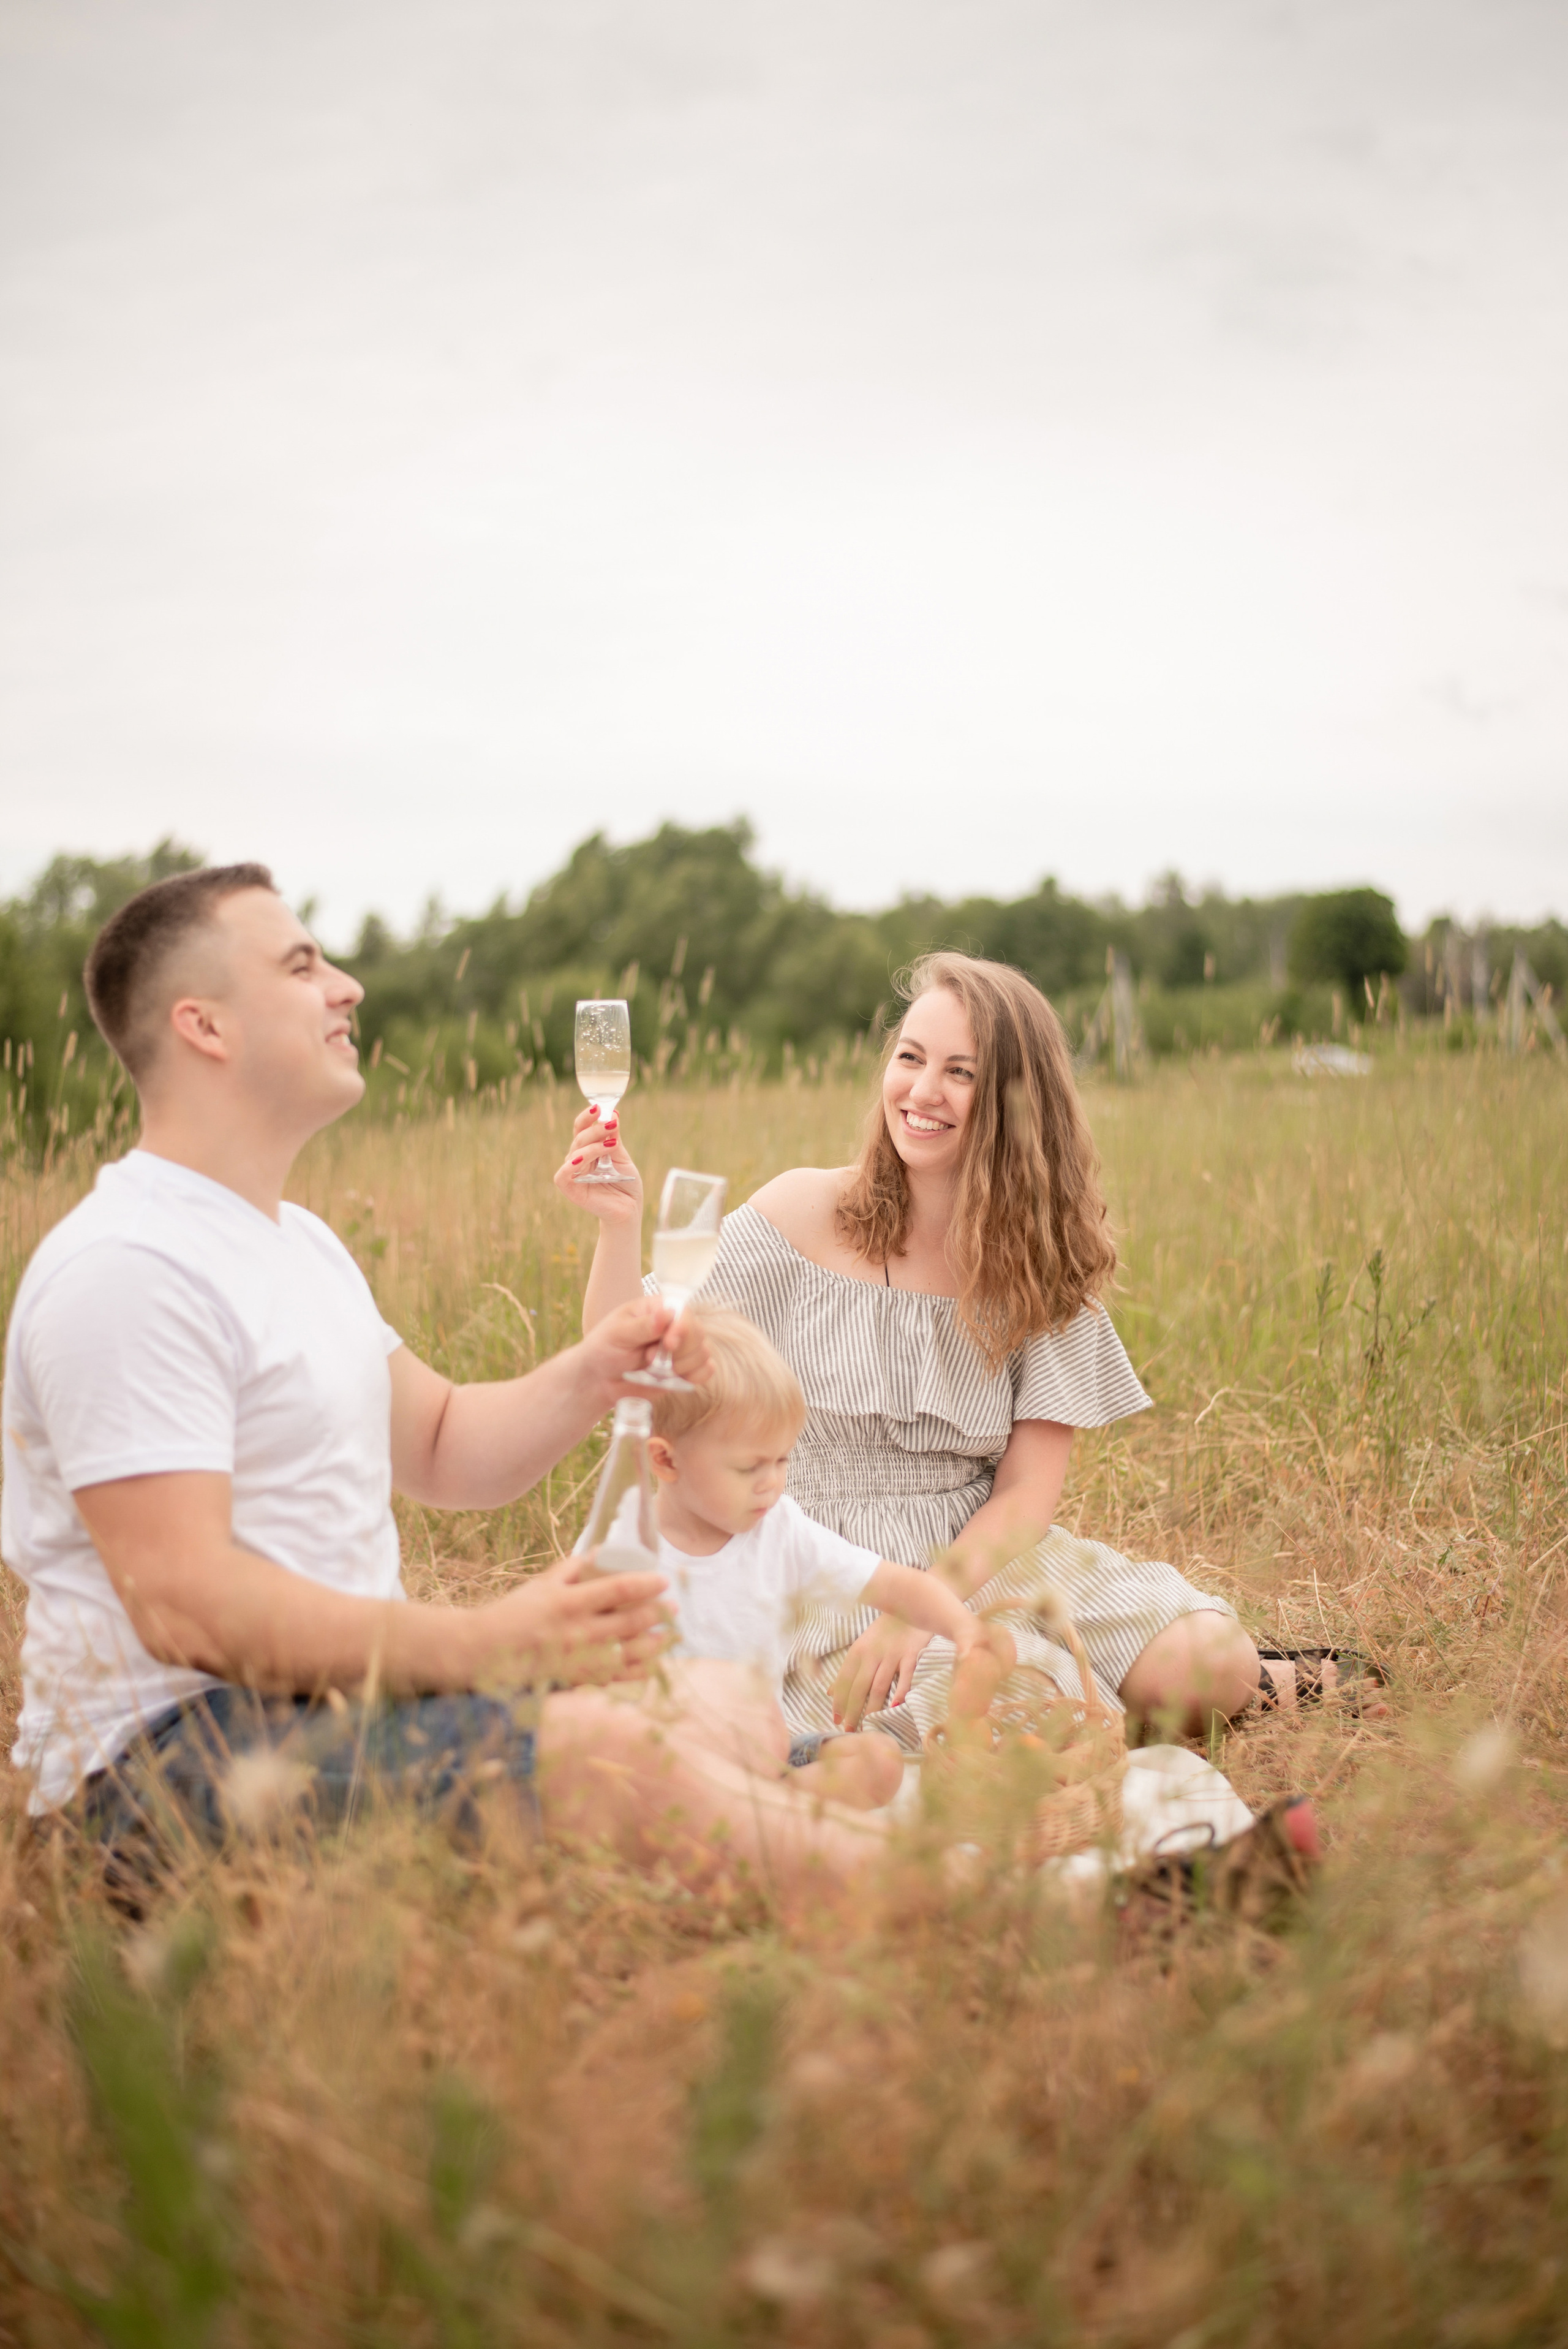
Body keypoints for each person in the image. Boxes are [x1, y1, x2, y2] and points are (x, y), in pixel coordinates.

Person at [1, 864, 888, 1912]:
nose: (349, 986)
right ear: (204, 1025)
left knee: (720, 1701)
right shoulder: (130, 1265)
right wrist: (485, 1643)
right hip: (170, 1764)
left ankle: (810, 1844)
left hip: (335, 1710)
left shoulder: (302, 1244)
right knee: (623, 1749)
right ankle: (1040, 1895)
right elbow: (183, 1602)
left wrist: (598, 1366)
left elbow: (444, 1447)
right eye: (302, 963)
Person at [558, 950, 1265, 1755]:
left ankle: (1260, 1677)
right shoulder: (800, 1213)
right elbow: (629, 1359)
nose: (922, 1091)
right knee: (976, 1726)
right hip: (829, 1553)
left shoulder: (1038, 1256)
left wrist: (925, 1602)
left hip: (983, 1547)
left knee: (1211, 1667)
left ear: (1014, 1102)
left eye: (960, 1072)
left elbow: (1029, 1487)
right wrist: (619, 1223)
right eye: (910, 1057)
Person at [644, 1306, 1014, 1809]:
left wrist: (966, 1630)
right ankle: (749, 1822)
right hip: (663, 1766)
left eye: (782, 1460)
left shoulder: (780, 1528)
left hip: (765, 1758)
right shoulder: (630, 1550)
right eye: (749, 1467)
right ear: (667, 1460)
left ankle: (767, 1816)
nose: (772, 1483)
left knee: (877, 1763)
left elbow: (895, 1586)